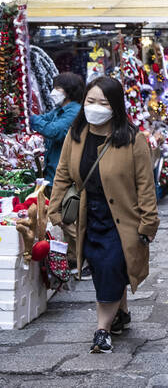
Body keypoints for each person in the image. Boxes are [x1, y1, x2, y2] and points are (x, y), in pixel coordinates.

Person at [48, 76, 160, 354]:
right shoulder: (76, 135)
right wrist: (55, 209)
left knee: (110, 267)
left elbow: (146, 186)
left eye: (103, 102)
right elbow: (63, 174)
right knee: (101, 270)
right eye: (90, 101)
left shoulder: (134, 140)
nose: (95, 107)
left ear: (116, 107)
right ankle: (120, 312)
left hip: (122, 220)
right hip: (88, 216)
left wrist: (148, 223)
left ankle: (102, 331)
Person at [30, 72, 84, 270]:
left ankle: (83, 258)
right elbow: (43, 120)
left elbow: (54, 131)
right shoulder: (59, 110)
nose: (54, 92)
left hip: (67, 175)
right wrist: (29, 117)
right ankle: (73, 257)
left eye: (57, 88)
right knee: (63, 218)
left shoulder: (74, 112)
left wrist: (34, 121)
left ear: (68, 91)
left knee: (67, 218)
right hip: (54, 173)